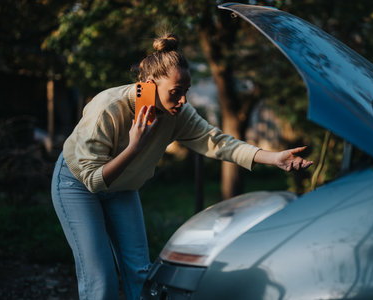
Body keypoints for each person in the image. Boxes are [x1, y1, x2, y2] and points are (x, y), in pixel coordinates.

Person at [51, 33, 313, 300]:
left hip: (122, 187)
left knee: (141, 273)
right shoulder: (108, 108)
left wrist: (273, 157)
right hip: (78, 185)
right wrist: (134, 147)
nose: (183, 101)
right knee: (100, 279)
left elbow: (217, 141)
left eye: (185, 92)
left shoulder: (177, 113)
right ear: (149, 85)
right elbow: (94, 180)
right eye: (175, 93)